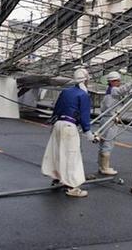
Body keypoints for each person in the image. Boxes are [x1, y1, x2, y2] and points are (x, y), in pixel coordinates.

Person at [41, 68, 94, 197]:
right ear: (85, 79)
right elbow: (84, 116)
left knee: (58, 152)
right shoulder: (83, 95)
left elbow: (57, 109)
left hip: (58, 124)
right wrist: (89, 134)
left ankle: (57, 178)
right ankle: (72, 187)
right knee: (71, 156)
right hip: (70, 127)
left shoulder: (66, 92)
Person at [98, 71, 132, 175]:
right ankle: (104, 168)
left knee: (104, 143)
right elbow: (122, 90)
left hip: (106, 120)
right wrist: (131, 83)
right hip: (109, 120)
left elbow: (126, 95)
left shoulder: (111, 92)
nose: (119, 82)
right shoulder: (113, 90)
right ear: (111, 82)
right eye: (117, 81)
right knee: (108, 143)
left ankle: (101, 165)